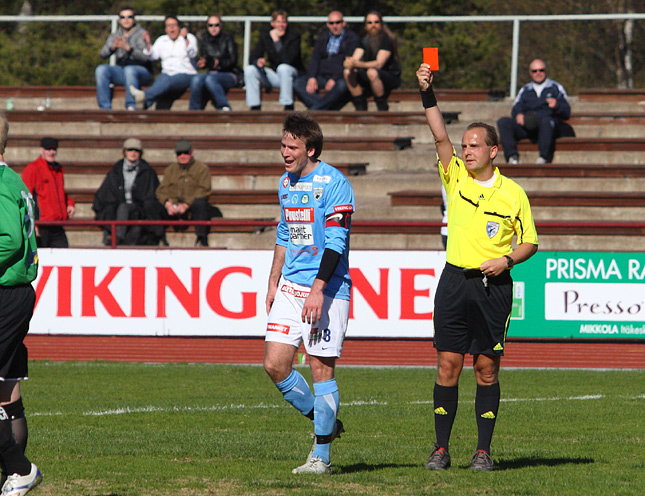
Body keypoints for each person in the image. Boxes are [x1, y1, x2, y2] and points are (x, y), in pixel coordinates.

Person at [416, 63, 539, 471]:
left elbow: (530, 243)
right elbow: (438, 133)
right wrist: (427, 91)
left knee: (486, 368)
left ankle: (483, 450)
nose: (465, 151)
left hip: (493, 288)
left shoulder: (513, 194)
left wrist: (506, 260)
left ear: (492, 150)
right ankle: (440, 448)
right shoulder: (455, 179)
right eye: (464, 145)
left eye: (473, 146)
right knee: (447, 364)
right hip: (454, 283)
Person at [264, 112, 355, 474]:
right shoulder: (285, 183)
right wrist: (273, 280)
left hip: (328, 289)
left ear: (311, 149)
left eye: (292, 146)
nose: (285, 152)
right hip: (290, 286)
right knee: (274, 364)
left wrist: (319, 289)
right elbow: (285, 233)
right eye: (283, 145)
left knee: (320, 369)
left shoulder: (335, 183)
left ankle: (321, 457)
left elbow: (336, 241)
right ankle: (326, 423)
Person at [0, 112, 43, 495]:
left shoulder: (0, 182)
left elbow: (10, 240)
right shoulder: (16, 180)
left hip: (4, 292)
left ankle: (18, 468)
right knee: (6, 387)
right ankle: (11, 475)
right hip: (17, 292)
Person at [497, 59, 573, 164]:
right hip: (528, 125)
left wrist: (557, 106)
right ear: (530, 73)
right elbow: (516, 108)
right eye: (534, 71)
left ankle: (544, 157)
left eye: (541, 70)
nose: (538, 73)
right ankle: (512, 157)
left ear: (545, 71)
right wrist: (518, 115)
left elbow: (566, 112)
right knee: (503, 122)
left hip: (547, 127)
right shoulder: (525, 90)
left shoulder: (555, 88)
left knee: (546, 121)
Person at [92, 138, 163, 246]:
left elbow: (152, 193)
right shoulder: (116, 170)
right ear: (124, 151)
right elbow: (105, 192)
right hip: (119, 208)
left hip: (138, 209)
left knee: (124, 208)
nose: (133, 153)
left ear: (140, 153)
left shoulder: (147, 171)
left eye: (136, 150)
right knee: (110, 208)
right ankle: (112, 236)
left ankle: (118, 236)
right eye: (130, 150)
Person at [156, 140, 218, 247]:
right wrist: (167, 203)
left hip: (191, 207)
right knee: (151, 205)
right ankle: (158, 237)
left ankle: (201, 238)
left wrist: (186, 204)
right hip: (173, 207)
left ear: (192, 153)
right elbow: (161, 190)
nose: (182, 156)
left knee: (201, 204)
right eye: (179, 153)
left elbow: (204, 189)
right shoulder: (170, 170)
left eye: (186, 153)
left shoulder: (202, 169)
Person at [293, 11, 359, 111]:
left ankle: (316, 110)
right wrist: (312, 77)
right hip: (322, 76)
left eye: (338, 22)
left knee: (343, 85)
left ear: (343, 23)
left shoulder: (352, 38)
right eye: (331, 23)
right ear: (328, 24)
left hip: (339, 78)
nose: (335, 26)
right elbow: (315, 59)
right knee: (298, 83)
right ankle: (323, 108)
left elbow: (347, 62)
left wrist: (334, 78)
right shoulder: (323, 37)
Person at [130, 16, 198, 110]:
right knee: (161, 79)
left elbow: (193, 54)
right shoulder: (162, 40)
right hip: (166, 75)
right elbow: (153, 56)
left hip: (186, 74)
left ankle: (143, 95)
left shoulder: (189, 38)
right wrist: (148, 44)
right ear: (166, 29)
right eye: (168, 26)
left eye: (173, 25)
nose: (171, 28)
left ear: (179, 27)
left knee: (167, 80)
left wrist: (185, 38)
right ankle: (141, 107)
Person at [243, 10, 304, 111]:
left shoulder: (294, 37)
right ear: (272, 24)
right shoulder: (266, 36)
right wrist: (257, 61)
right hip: (274, 75)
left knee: (283, 68)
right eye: (278, 22)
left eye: (283, 22)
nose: (281, 25)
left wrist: (276, 41)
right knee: (250, 70)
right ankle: (254, 106)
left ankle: (287, 105)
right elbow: (253, 56)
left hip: (291, 76)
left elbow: (287, 60)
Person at [95, 6, 153, 110]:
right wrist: (112, 48)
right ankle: (105, 107)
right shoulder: (115, 35)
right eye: (123, 17)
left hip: (141, 71)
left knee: (129, 70)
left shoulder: (142, 34)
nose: (126, 20)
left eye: (129, 17)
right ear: (119, 20)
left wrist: (129, 49)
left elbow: (146, 57)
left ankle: (131, 105)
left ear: (134, 19)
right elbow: (102, 54)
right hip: (122, 70)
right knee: (101, 69)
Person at [21, 137, 75, 248]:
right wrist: (33, 224)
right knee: (40, 260)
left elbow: (59, 192)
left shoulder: (58, 170)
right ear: (41, 150)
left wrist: (69, 203)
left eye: (54, 149)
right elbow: (26, 197)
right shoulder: (32, 169)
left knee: (64, 256)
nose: (52, 152)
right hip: (41, 226)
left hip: (57, 224)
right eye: (48, 149)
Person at [343, 11, 401, 111]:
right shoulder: (363, 39)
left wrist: (357, 63)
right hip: (370, 76)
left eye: (376, 22)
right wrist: (350, 63)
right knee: (348, 72)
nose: (373, 25)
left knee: (372, 72)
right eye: (369, 22)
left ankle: (381, 105)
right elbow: (356, 56)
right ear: (365, 25)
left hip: (389, 76)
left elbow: (379, 63)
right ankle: (360, 105)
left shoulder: (387, 39)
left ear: (381, 24)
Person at [188, 15, 240, 111]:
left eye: (216, 25)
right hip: (212, 73)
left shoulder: (228, 39)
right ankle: (194, 110)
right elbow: (206, 60)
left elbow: (233, 60)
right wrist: (203, 64)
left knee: (210, 79)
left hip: (229, 74)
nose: (214, 28)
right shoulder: (205, 40)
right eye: (210, 25)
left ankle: (223, 106)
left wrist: (219, 63)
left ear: (221, 26)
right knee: (196, 78)